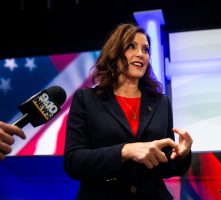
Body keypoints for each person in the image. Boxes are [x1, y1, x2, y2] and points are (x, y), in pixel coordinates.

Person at [63, 23, 193, 200]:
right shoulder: (86, 99)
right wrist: (124, 151)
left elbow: (165, 168)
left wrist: (181, 156)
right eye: (131, 46)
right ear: (115, 53)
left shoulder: (161, 102)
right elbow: (73, 162)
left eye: (145, 49)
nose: (141, 54)